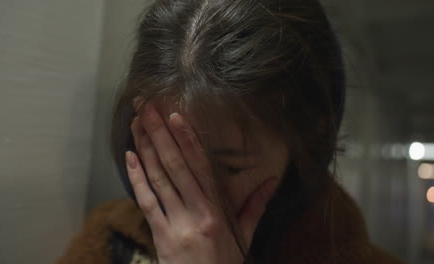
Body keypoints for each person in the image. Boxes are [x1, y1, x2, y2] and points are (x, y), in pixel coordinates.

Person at [57, 0, 405, 263]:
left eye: (230, 167)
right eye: (168, 153)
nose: (195, 197)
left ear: (310, 139)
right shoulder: (107, 244)